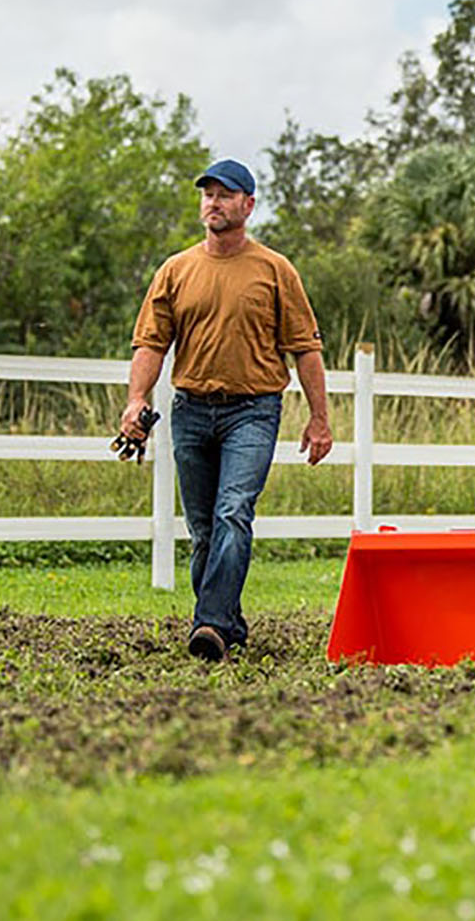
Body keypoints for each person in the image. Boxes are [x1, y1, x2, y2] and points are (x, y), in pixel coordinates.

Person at [122, 157, 334, 662]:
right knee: (203, 531)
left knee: (233, 512)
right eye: (207, 194)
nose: (213, 203)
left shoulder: (275, 271)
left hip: (253, 411)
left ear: (248, 205)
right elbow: (150, 343)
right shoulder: (176, 270)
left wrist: (320, 418)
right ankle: (228, 624)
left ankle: (210, 625)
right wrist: (136, 400)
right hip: (190, 410)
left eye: (225, 194)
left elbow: (305, 348)